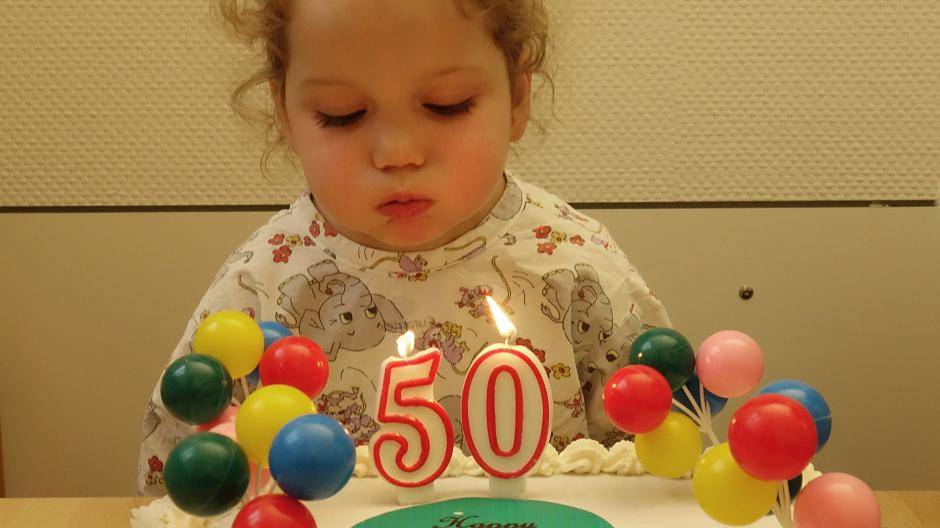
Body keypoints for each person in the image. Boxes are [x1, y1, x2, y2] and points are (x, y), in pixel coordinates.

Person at [137, 0, 671, 495]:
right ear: (285, 112)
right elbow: (184, 478)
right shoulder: (262, 285)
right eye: (341, 114)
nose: (398, 153)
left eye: (447, 105)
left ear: (518, 97)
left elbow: (666, 463)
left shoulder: (575, 263)